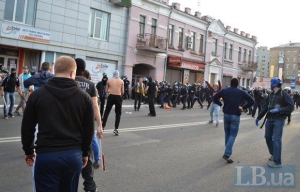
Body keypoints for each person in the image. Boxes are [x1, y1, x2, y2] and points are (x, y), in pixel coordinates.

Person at [21, 56, 95, 192]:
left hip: (46, 155)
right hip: (73, 157)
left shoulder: (37, 95)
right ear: (73, 73)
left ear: (54, 70)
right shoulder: (85, 98)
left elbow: (27, 127)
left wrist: (29, 150)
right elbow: (89, 131)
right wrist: (85, 153)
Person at [75, 58, 103, 192]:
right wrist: (100, 125)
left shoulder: (67, 81)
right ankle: (89, 185)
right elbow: (95, 107)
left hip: (69, 125)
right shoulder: (90, 85)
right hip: (86, 126)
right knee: (87, 155)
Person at [213, 78, 254, 163]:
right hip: (235, 115)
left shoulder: (225, 90)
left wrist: (221, 104)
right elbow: (252, 101)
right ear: (237, 84)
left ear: (230, 83)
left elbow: (214, 97)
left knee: (227, 134)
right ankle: (227, 154)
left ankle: (227, 151)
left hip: (226, 115)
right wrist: (243, 107)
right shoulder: (241, 92)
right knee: (233, 135)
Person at [256, 78, 294, 168]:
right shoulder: (271, 94)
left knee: (276, 140)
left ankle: (277, 162)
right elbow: (265, 106)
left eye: (271, 82)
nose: (270, 84)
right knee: (267, 137)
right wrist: (259, 117)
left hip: (279, 120)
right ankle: (274, 154)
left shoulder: (284, 94)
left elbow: (291, 107)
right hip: (269, 119)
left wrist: (279, 110)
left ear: (275, 84)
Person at [102, 70, 124, 135]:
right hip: (118, 97)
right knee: (118, 113)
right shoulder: (121, 81)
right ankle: (116, 129)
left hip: (111, 96)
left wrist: (110, 90)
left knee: (107, 112)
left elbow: (106, 91)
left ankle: (102, 127)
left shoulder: (109, 81)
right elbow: (122, 92)